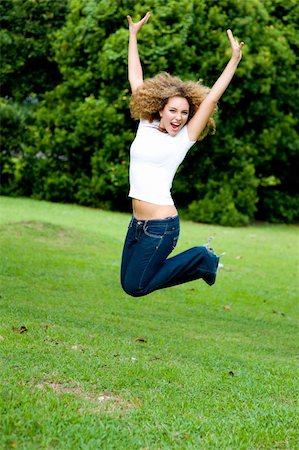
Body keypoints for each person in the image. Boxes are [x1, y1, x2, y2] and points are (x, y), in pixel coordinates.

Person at [121, 12, 244, 297]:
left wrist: (234, 59)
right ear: (161, 109)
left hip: (161, 226)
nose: (178, 117)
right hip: (138, 223)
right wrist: (133, 36)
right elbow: (135, 78)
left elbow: (212, 98)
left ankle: (202, 258)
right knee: (129, 284)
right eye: (173, 111)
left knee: (137, 286)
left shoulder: (184, 139)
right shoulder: (147, 124)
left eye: (185, 113)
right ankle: (201, 261)